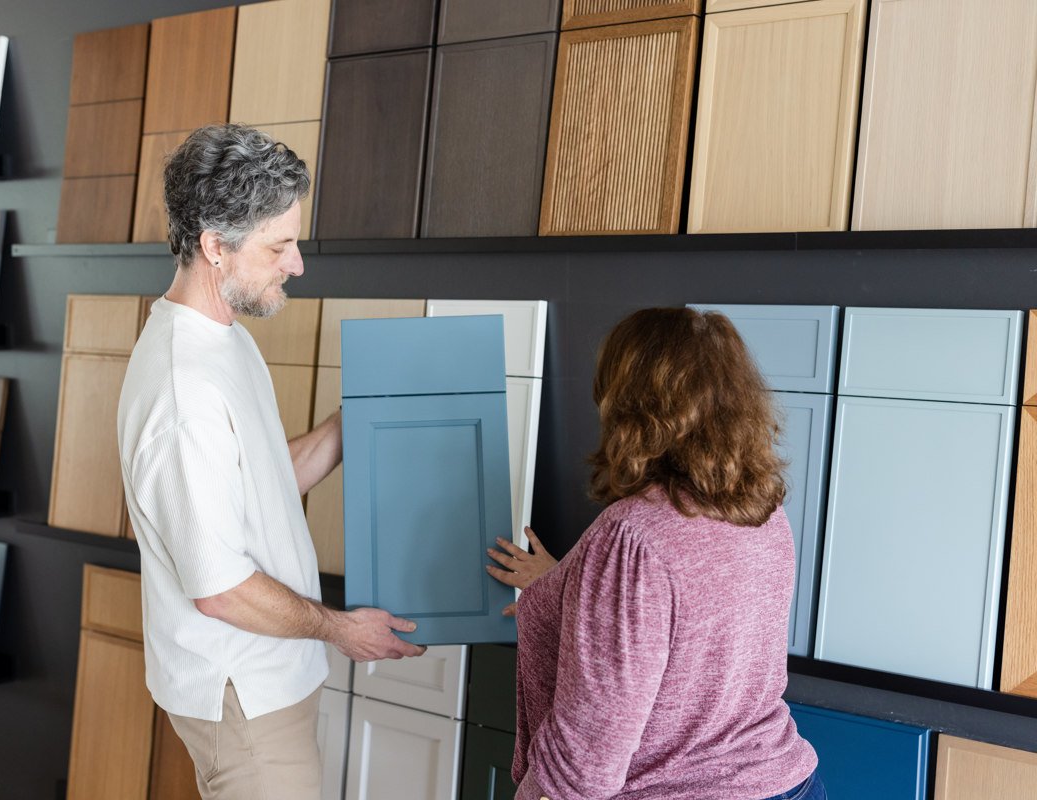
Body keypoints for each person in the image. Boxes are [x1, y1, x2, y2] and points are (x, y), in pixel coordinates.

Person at [117, 124, 424, 800]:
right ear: (214, 248)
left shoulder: (224, 339)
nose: (297, 264)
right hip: (242, 694)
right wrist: (341, 629)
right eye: (279, 245)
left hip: (270, 677)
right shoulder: (183, 391)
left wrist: (352, 425)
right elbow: (220, 587)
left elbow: (258, 484)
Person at [487, 307, 823, 800]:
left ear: (631, 407)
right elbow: (688, 620)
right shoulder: (763, 511)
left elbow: (587, 763)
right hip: (786, 781)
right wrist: (569, 584)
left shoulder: (633, 539)